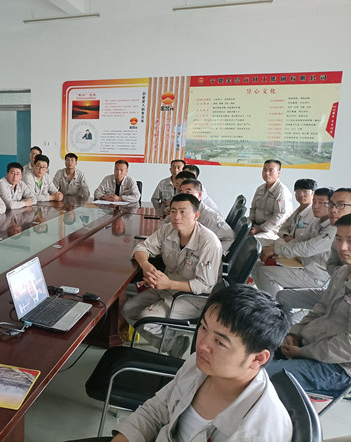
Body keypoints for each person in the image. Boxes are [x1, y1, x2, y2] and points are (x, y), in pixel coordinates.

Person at [113, 285, 292, 442]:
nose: (202, 345)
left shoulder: (255, 434)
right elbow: (156, 410)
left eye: (220, 342)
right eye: (204, 328)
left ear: (257, 359)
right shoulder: (201, 365)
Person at [264, 213, 351, 397]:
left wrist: (303, 352)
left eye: (350, 241)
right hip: (310, 345)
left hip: (338, 367)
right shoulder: (342, 272)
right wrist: (294, 333)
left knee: (260, 376)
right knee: (250, 353)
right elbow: (319, 310)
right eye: (338, 239)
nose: (343, 247)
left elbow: (347, 346)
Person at [122, 194, 222, 353]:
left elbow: (205, 285)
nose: (176, 217)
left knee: (147, 320)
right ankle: (173, 345)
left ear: (196, 215)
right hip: (165, 288)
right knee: (128, 309)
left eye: (183, 212)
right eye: (173, 211)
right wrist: (146, 265)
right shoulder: (167, 230)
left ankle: (172, 343)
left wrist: (169, 284)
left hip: (193, 298)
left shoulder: (209, 243)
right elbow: (142, 248)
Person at [276, 187, 351, 319]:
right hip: (330, 290)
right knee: (282, 297)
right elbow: (331, 265)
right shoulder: (335, 231)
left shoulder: (333, 231)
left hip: (335, 293)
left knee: (306, 321)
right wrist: (342, 274)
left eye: (341, 205)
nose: (333, 210)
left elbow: (307, 249)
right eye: (331, 204)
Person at [252, 187, 335, 297]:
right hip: (302, 264)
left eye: (321, 203)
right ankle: (270, 299)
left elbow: (308, 248)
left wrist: (276, 250)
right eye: (314, 202)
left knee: (265, 273)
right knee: (256, 265)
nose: (315, 206)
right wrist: (278, 252)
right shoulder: (317, 222)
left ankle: (274, 305)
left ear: (332, 205)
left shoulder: (333, 228)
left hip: (317, 276)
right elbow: (300, 240)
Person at [179, 179, 235, 253]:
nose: (184, 197)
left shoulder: (210, 216)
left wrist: (210, 254)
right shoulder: (180, 211)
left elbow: (230, 238)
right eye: (181, 193)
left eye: (188, 193)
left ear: (199, 195)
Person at [249, 159, 293, 244]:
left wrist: (259, 229)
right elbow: (253, 208)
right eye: (264, 170)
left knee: (252, 242)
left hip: (273, 230)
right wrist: (249, 224)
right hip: (256, 226)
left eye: (271, 170)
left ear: (278, 173)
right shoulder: (260, 189)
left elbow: (280, 215)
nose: (267, 173)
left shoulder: (282, 191)